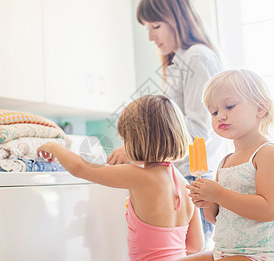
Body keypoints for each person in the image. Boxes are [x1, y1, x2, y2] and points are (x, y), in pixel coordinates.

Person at [107, 0, 224, 247]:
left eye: (155, 26)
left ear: (177, 20)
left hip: (195, 180)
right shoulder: (180, 61)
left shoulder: (196, 58)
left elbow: (200, 132)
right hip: (184, 178)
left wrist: (142, 149)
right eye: (146, 27)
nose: (149, 36)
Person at [37, 95, 204, 260]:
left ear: (137, 140)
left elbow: (81, 168)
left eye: (125, 139)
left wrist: (54, 146)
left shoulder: (138, 176)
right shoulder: (185, 183)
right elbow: (196, 245)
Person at [178, 69, 274, 261]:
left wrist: (219, 194)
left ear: (260, 108)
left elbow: (270, 209)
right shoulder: (225, 161)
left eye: (229, 106)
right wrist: (208, 202)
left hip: (261, 255)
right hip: (223, 252)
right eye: (214, 112)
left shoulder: (267, 153)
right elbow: (216, 218)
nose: (220, 115)